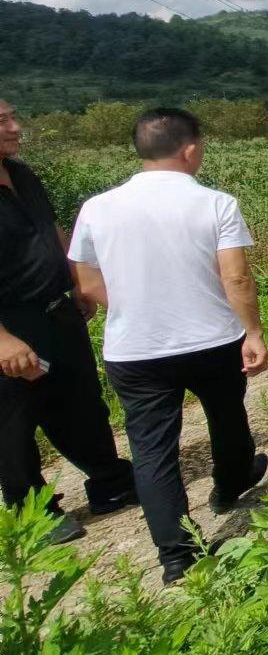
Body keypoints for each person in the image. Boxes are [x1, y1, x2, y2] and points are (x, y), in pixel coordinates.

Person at [68, 108, 268, 584]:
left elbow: (85, 279)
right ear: (190, 148)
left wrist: (136, 307)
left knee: (152, 450)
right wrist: (254, 332)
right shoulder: (215, 203)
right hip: (211, 339)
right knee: (226, 414)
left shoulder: (97, 207)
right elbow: (235, 275)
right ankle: (229, 484)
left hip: (134, 348)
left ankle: (177, 557)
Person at [0, 97, 136, 545]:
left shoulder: (20, 174)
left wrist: (78, 277)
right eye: (4, 122)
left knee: (81, 403)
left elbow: (50, 229)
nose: (17, 127)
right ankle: (33, 513)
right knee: (13, 424)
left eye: (15, 117)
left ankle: (110, 483)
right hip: (10, 321)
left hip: (55, 311)